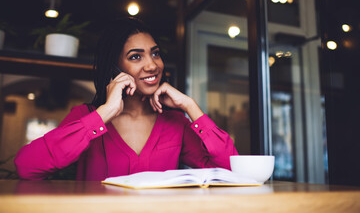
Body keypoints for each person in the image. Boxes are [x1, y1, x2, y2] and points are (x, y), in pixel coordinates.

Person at [14, 17, 238, 180]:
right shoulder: (86, 117)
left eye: (155, 53)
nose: (152, 65)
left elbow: (230, 170)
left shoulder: (175, 123)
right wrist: (105, 113)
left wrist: (190, 107)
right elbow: (26, 166)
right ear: (115, 68)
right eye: (136, 56)